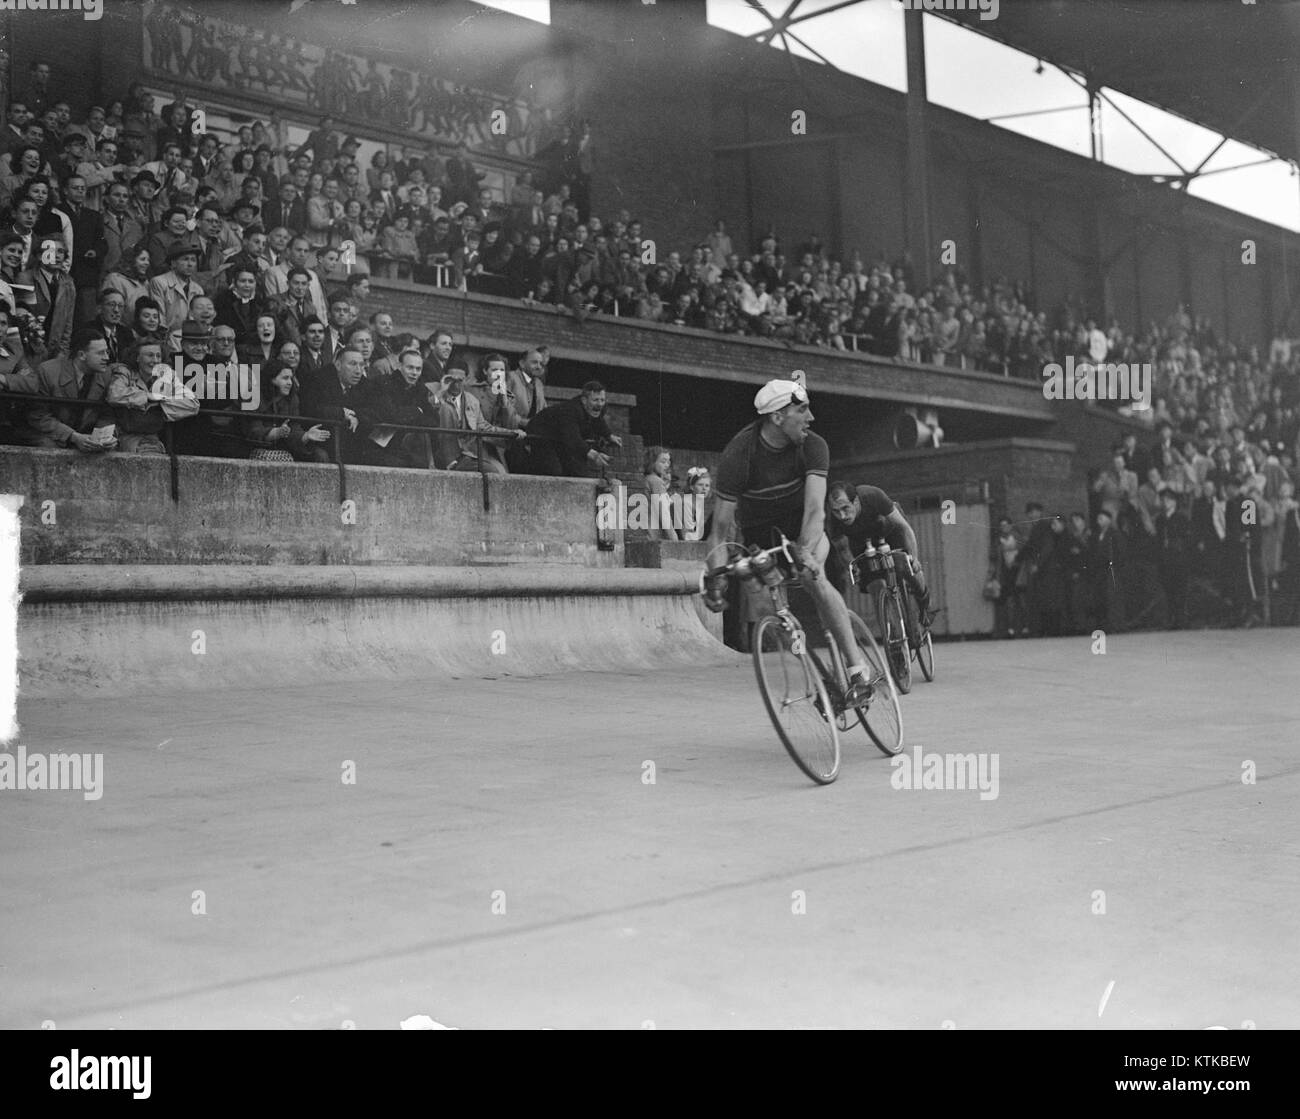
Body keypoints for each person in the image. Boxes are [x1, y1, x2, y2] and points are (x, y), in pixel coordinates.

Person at [702, 379, 875, 706]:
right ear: (777, 418)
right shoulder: (739, 455)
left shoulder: (813, 445)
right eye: (801, 410)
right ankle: (826, 682)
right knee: (773, 613)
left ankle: (857, 671)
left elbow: (814, 511)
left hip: (803, 528)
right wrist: (717, 578)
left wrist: (806, 554)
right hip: (760, 537)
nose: (810, 418)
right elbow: (719, 531)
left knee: (814, 579)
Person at [524, 380, 623, 477]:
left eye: (602, 400)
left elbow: (598, 421)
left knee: (578, 471)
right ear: (584, 400)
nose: (600, 404)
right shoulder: (570, 411)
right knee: (553, 470)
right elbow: (573, 438)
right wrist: (594, 455)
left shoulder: (596, 408)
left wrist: (609, 435)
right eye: (595, 400)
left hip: (558, 439)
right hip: (539, 435)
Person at [643, 445, 679, 542]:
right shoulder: (656, 481)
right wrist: (674, 537)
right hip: (657, 536)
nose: (667, 465)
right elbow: (663, 512)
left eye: (668, 462)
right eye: (663, 462)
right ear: (652, 462)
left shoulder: (647, 479)